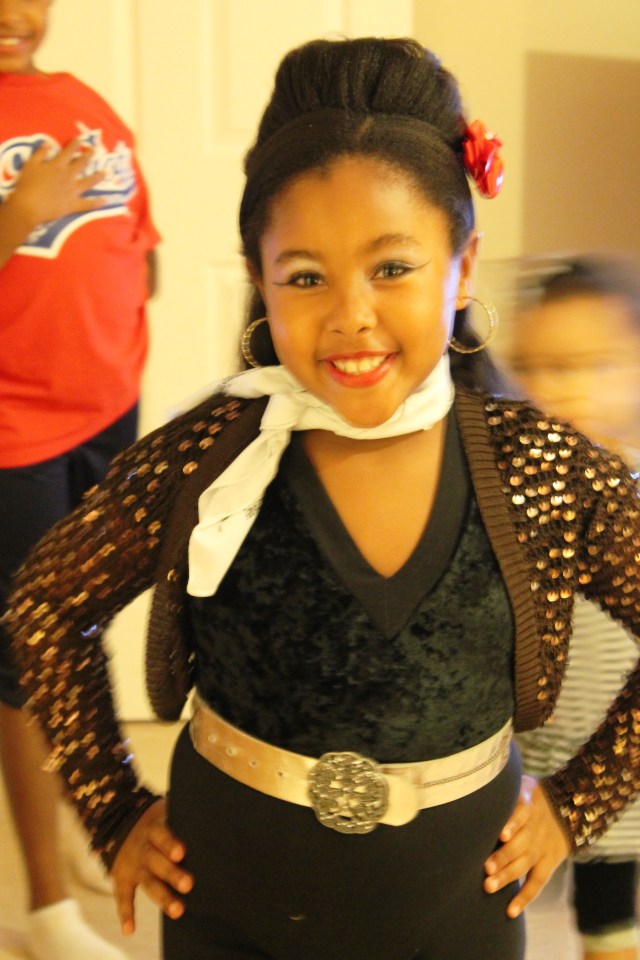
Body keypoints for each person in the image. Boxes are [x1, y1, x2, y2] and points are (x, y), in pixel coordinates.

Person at [3, 36, 640, 960]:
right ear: (258, 276)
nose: (350, 315)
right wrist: (111, 806)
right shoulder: (205, 458)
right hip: (229, 914)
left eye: (393, 268)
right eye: (305, 276)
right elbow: (45, 604)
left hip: (459, 918)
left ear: (463, 262)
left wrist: (577, 804)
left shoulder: (541, 467)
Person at [0, 1, 159, 958]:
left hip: (107, 414)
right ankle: (47, 909)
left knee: (84, 623)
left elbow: (141, 245)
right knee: (23, 661)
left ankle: (90, 814)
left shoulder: (85, 103)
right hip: (13, 433)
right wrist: (17, 216)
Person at [507, 255, 640, 960]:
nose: (560, 391)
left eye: (588, 366)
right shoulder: (521, 501)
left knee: (611, 924)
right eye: (537, 369)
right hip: (536, 768)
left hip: (621, 776)